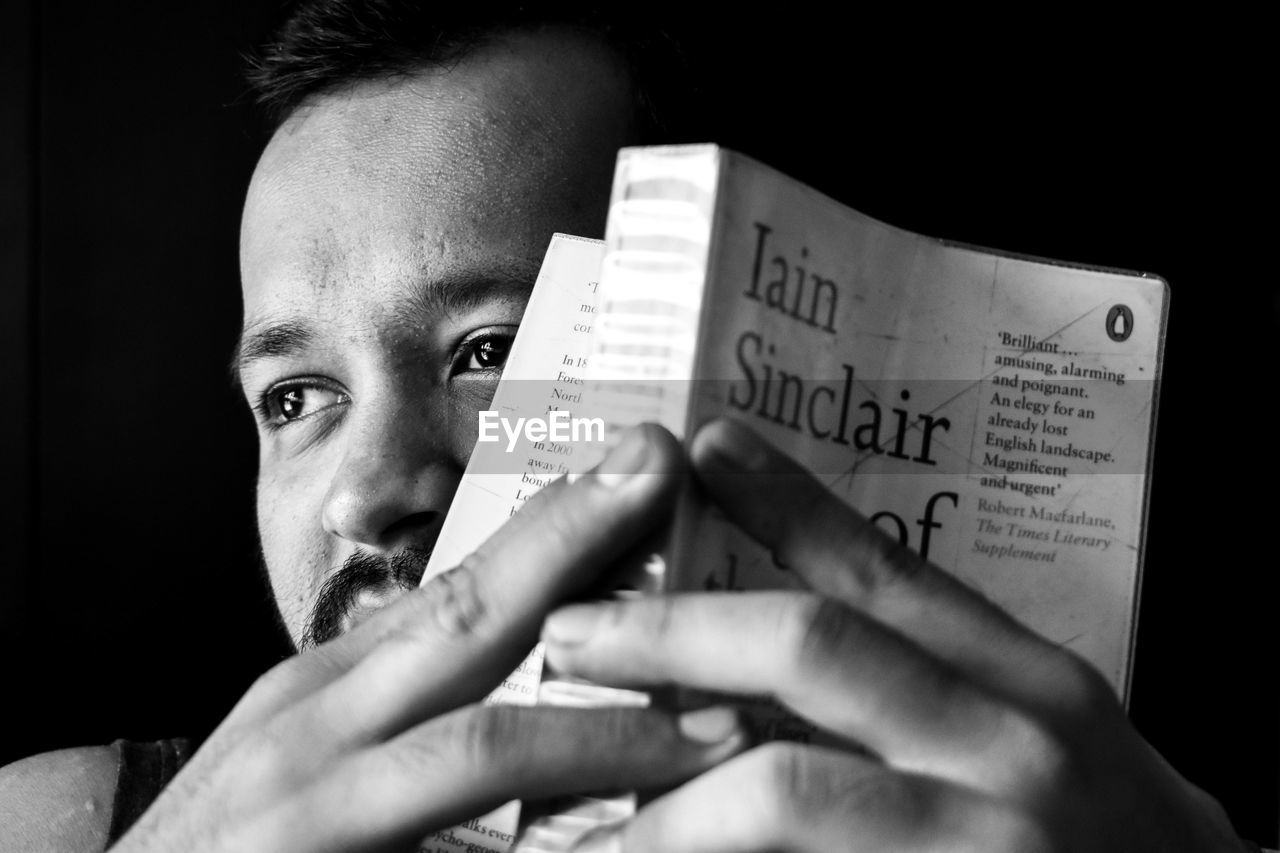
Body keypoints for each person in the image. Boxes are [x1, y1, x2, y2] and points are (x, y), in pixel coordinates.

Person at [0, 4, 1270, 851]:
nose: (363, 489)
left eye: (490, 351)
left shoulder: (1076, 821)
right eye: (296, 397)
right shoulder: (65, 823)